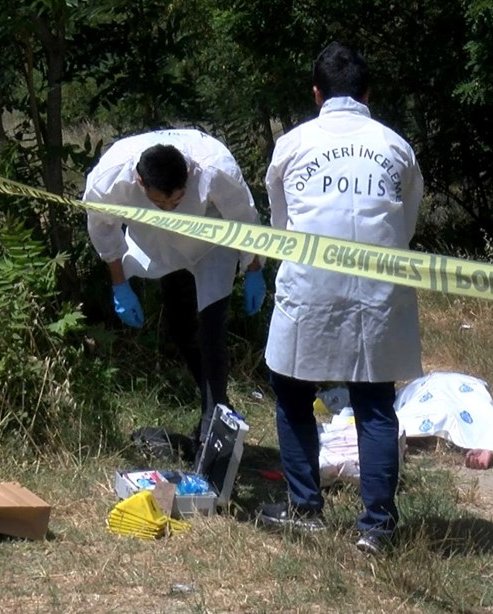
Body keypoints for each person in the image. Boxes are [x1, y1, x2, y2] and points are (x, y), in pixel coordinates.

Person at [255, 42, 424, 556]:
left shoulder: (291, 145)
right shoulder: (396, 146)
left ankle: (306, 510)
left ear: (316, 93)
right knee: (374, 402)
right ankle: (377, 527)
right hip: (379, 287)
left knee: (290, 391)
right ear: (367, 94)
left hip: (310, 286)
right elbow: (406, 225)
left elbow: (281, 226)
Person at [84, 129, 266, 447]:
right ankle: (217, 405)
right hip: (158, 243)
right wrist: (119, 285)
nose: (169, 206)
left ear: (189, 176)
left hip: (212, 242)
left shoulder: (214, 167)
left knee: (211, 329)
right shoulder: (109, 179)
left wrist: (253, 269)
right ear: (141, 184)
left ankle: (214, 422)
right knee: (181, 329)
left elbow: (244, 220)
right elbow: (104, 229)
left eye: (177, 199)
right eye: (160, 202)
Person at [393, 372, 493, 470]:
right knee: (477, 415)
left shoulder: (406, 395)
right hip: (457, 387)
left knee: (442, 412)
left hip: (452, 387)